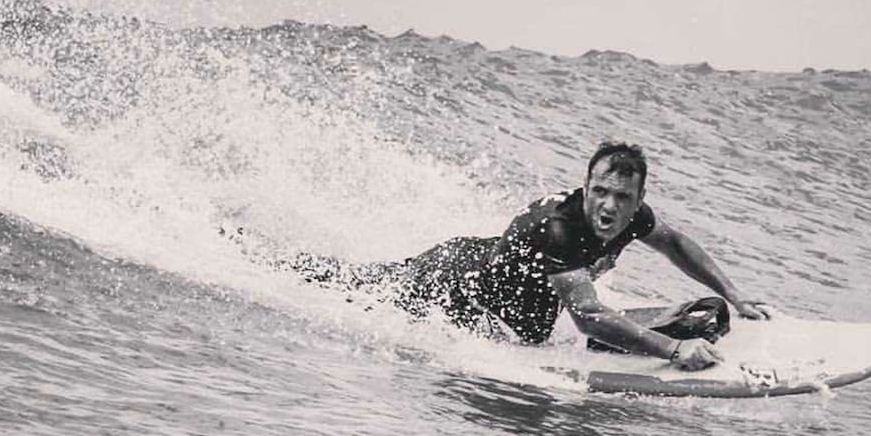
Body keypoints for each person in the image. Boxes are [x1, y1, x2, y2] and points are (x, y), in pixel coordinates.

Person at [289, 142, 770, 370]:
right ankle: (269, 258)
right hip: (446, 285)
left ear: (637, 197)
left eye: (622, 197)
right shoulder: (559, 229)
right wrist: (672, 348)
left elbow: (675, 243)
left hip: (494, 290)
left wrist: (733, 293)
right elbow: (588, 317)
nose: (608, 206)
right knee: (347, 284)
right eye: (599, 191)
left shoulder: (633, 215)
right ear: (585, 187)